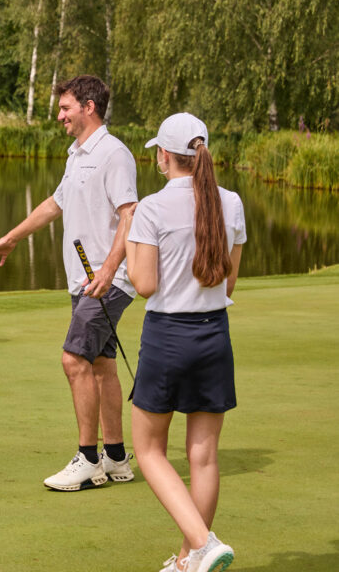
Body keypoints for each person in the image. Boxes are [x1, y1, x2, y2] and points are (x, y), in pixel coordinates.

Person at [0, 75, 137, 491]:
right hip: (83, 281)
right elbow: (54, 204)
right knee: (100, 364)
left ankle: (88, 459)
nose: (60, 115)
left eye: (66, 107)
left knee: (73, 360)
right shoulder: (76, 155)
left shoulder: (114, 154)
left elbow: (129, 214)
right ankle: (117, 457)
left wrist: (108, 269)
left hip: (109, 279)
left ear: (89, 106)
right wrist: (12, 238)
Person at [123, 113, 244, 572]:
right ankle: (186, 561)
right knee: (204, 456)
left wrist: (131, 237)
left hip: (169, 336)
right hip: (215, 335)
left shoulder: (151, 208)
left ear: (164, 156)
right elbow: (228, 284)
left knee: (150, 451)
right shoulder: (231, 202)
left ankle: (201, 542)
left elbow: (145, 285)